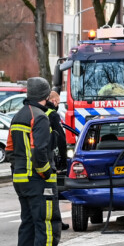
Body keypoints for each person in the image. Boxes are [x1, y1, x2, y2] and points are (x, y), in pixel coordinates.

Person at [10, 77, 62, 246]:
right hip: (39, 182)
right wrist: (47, 172)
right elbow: (40, 151)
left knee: (28, 226)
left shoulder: (17, 116)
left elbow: (9, 151)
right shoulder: (39, 118)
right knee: (48, 227)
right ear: (45, 95)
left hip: (21, 180)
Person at [46, 90, 71, 230]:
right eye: (59, 102)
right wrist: (63, 159)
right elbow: (61, 139)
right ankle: (56, 222)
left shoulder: (36, 113)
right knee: (52, 192)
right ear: (54, 101)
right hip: (50, 158)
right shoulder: (52, 115)